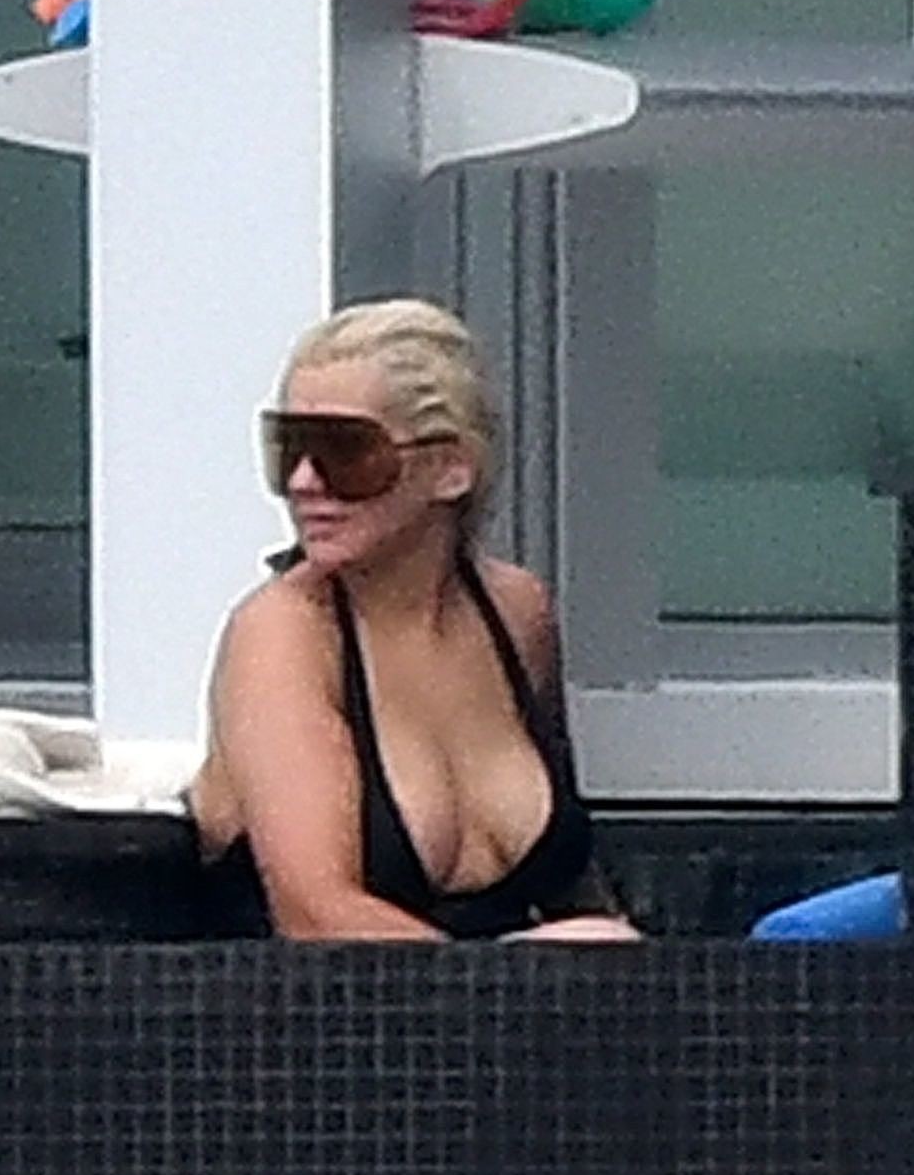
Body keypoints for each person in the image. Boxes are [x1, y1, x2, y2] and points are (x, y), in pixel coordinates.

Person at [188, 297, 643, 945]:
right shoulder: (283, 635)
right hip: (328, 1004)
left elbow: (571, 883)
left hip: (504, 994)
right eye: (286, 448)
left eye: (347, 452)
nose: (304, 481)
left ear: (450, 469)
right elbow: (316, 915)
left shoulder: (516, 613)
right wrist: (515, 981)